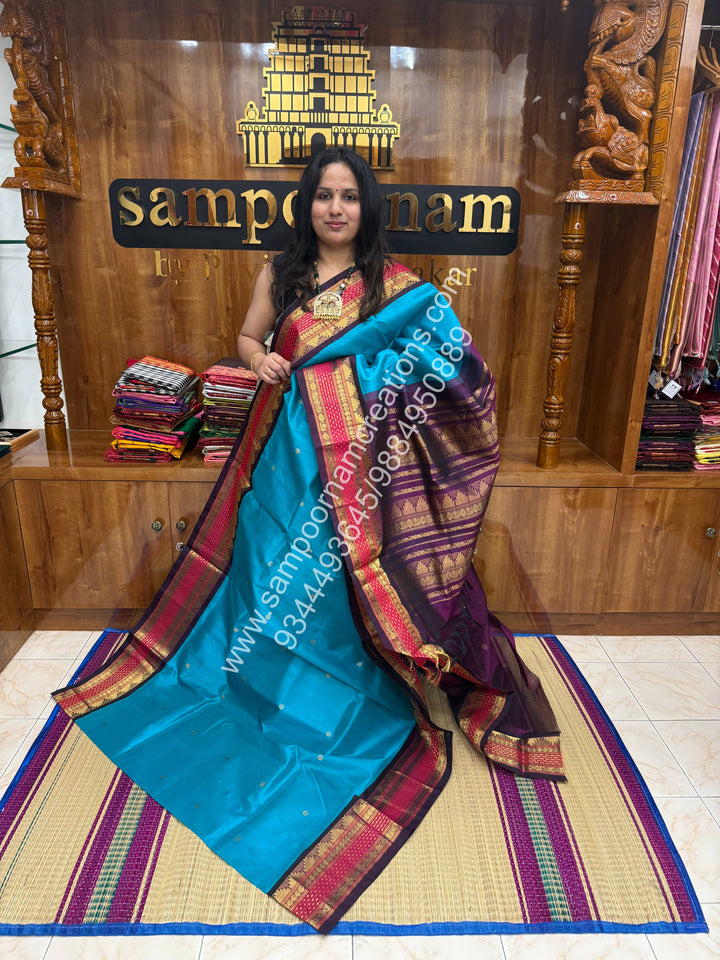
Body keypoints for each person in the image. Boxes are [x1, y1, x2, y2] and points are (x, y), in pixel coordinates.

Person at [53, 147, 563, 934]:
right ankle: (258, 683)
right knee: (272, 578)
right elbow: (248, 340)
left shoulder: (396, 286)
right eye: (323, 195)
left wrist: (365, 378)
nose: (334, 208)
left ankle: (338, 694)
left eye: (348, 197)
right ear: (307, 205)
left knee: (333, 592)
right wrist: (262, 361)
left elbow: (449, 364)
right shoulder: (280, 276)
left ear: (367, 208)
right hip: (286, 456)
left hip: (359, 471)